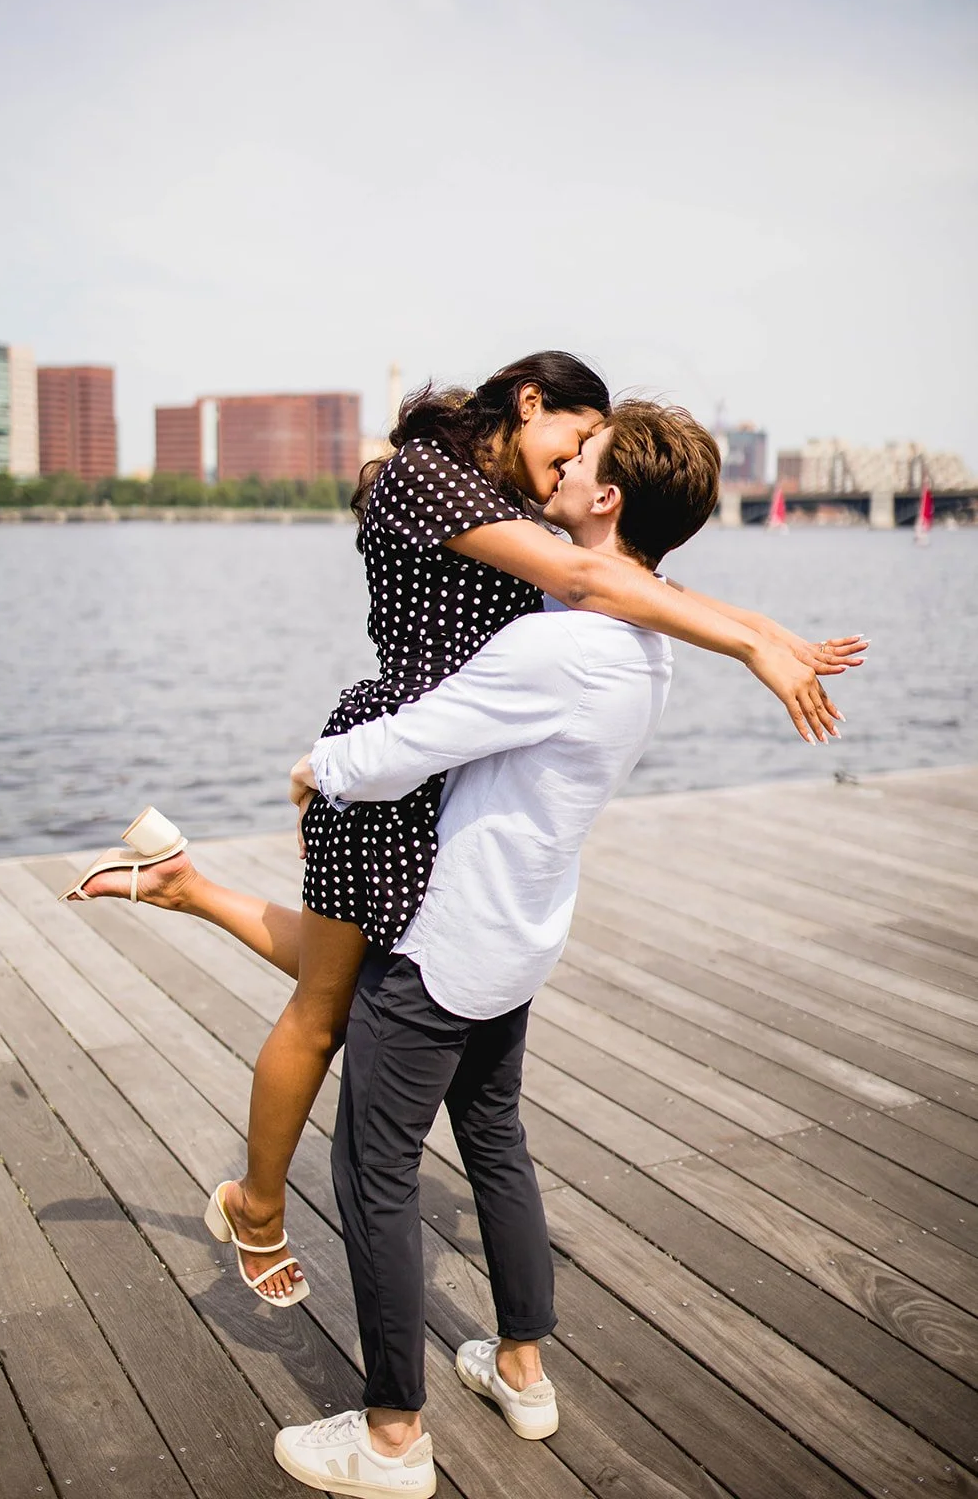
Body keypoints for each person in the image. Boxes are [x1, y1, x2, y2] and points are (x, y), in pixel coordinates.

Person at [64, 359, 863, 1306]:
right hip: (397, 758)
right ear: (529, 403)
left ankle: (183, 886)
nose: (570, 463)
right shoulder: (425, 473)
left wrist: (767, 629)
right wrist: (748, 650)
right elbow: (582, 574)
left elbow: (621, 578)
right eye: (570, 441)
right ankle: (260, 1208)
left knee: (376, 984)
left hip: (458, 763)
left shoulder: (528, 499)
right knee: (330, 1012)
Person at [272, 402, 812, 1496]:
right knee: (493, 1138)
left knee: (372, 1171)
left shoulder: (554, 641)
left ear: (604, 499)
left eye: (580, 460)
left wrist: (317, 764)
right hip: (521, 935)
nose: (559, 466)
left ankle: (389, 1438)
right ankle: (519, 1366)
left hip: (444, 943)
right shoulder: (640, 641)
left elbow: (410, 747)